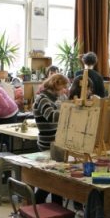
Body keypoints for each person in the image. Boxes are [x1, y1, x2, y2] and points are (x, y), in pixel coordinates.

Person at [32, 74, 69, 205]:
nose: (65, 90)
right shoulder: (42, 98)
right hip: (47, 143)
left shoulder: (55, 98)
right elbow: (51, 116)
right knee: (52, 180)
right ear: (55, 85)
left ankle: (56, 208)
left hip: (55, 142)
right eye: (63, 87)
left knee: (56, 179)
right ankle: (35, 205)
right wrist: (69, 111)